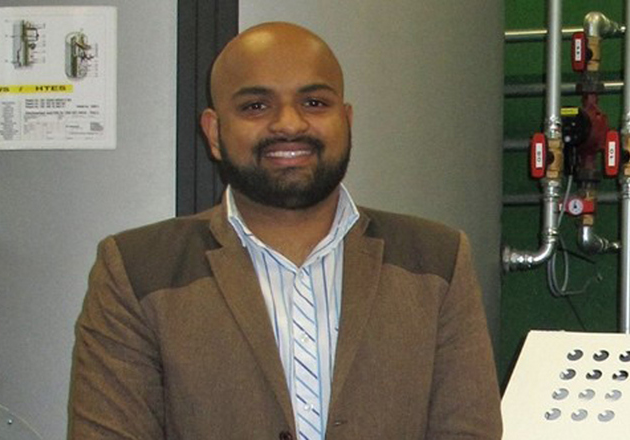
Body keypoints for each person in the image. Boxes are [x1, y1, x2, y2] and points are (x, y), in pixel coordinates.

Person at [68, 21, 502, 440]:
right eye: (256, 106)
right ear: (214, 133)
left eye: (314, 103)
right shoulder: (138, 270)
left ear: (347, 120)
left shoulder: (437, 260)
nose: (290, 124)